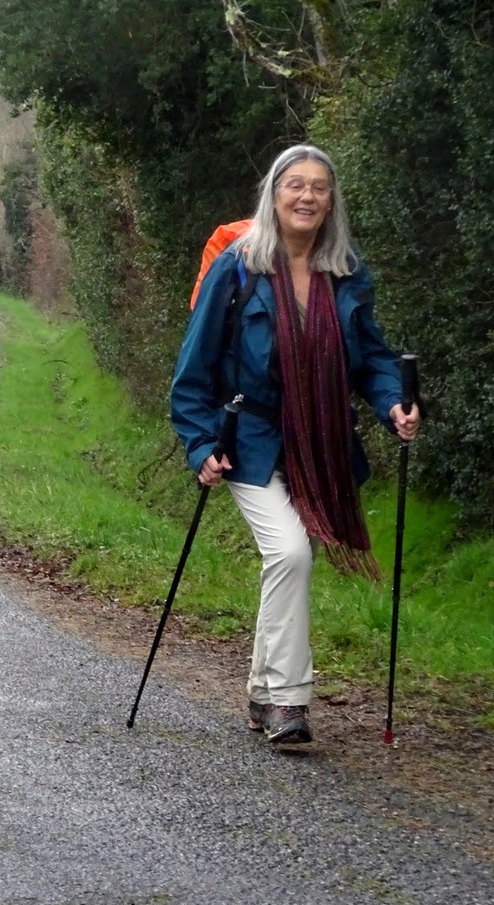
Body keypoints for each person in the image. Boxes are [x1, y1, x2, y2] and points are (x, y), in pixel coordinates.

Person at [170, 143, 422, 744]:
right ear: (274, 194)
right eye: (295, 185)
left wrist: (394, 403)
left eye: (319, 187)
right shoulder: (237, 267)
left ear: (332, 201)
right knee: (289, 554)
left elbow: (372, 358)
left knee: (287, 563)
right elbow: (193, 369)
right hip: (248, 440)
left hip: (320, 444)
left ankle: (263, 696)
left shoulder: (346, 272)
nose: (307, 196)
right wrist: (200, 444)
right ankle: (289, 700)